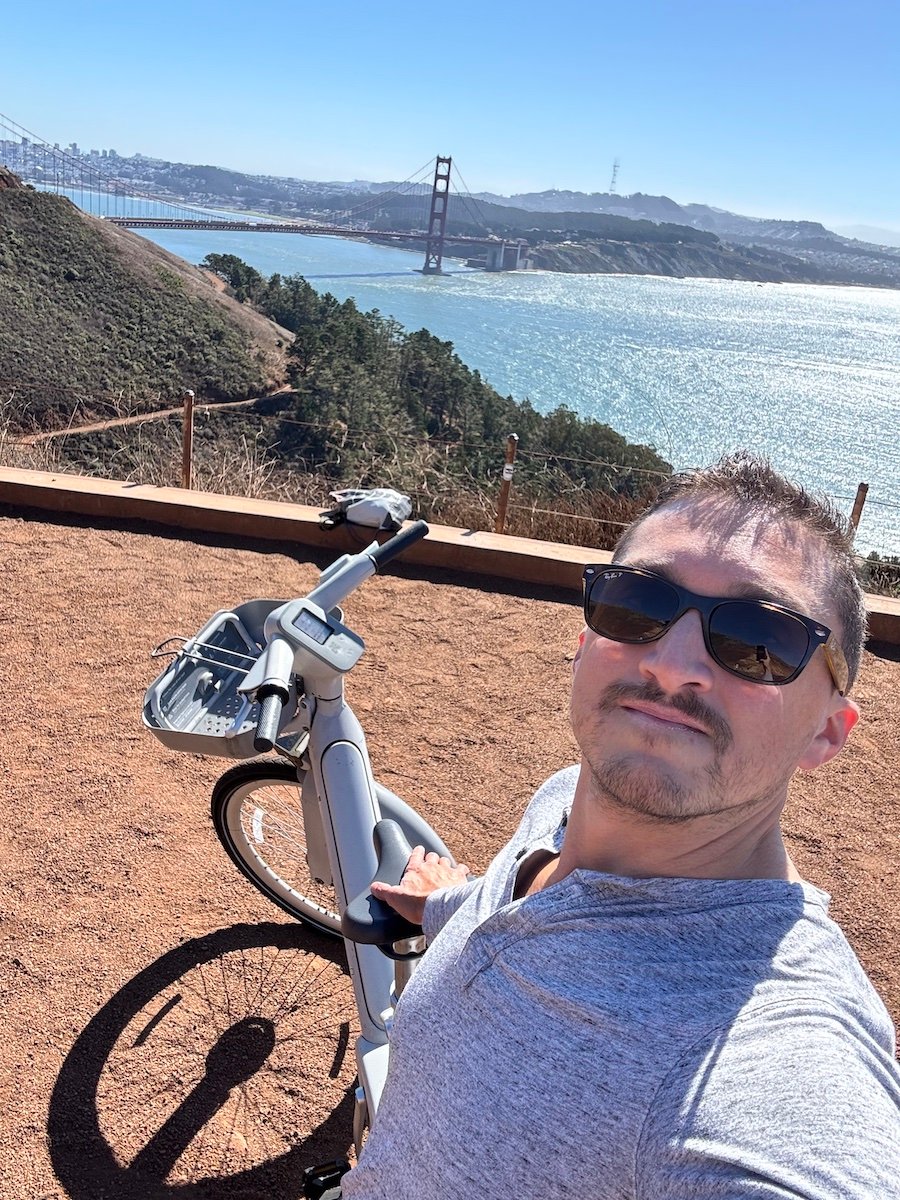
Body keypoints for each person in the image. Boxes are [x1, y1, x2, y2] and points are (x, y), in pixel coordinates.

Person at [341, 451, 900, 1200]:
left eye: (759, 642)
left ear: (828, 733)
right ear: (583, 648)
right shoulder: (564, 800)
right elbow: (542, 905)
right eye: (637, 605)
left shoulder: (772, 1062)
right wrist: (456, 902)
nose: (671, 664)